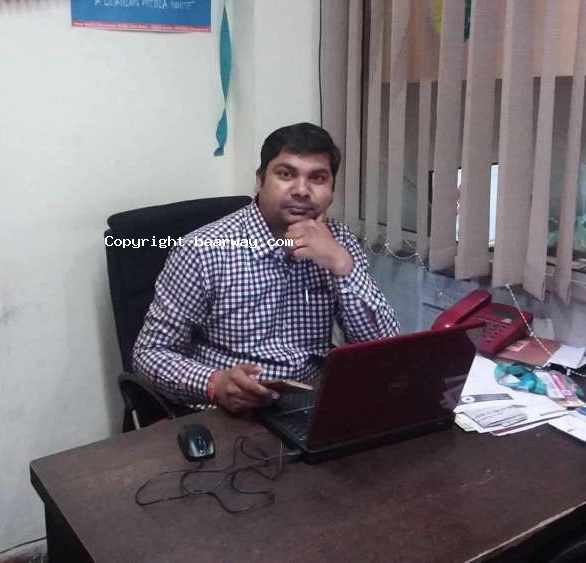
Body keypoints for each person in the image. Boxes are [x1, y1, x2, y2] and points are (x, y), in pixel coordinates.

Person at [132, 123, 399, 413]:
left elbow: (386, 353)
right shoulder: (202, 250)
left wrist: (342, 264)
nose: (302, 190)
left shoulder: (338, 241)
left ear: (332, 190)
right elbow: (150, 353)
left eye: (318, 178)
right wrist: (214, 384)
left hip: (312, 402)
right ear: (260, 180)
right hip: (228, 410)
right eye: (286, 174)